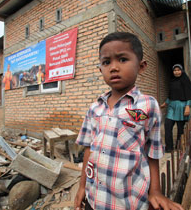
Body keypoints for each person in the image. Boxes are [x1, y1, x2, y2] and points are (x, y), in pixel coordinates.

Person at [74, 32, 184, 210]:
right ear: (100, 69)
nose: (114, 67)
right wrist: (81, 187)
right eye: (106, 62)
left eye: (123, 59)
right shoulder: (95, 108)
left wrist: (155, 191)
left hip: (129, 202)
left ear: (141, 66)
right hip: (95, 200)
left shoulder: (147, 106)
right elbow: (88, 149)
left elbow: (153, 152)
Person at [160, 64, 191, 152]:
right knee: (167, 125)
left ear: (182, 70)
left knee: (180, 128)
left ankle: (179, 147)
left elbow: (189, 94)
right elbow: (171, 95)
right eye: (175, 70)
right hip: (171, 106)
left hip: (181, 107)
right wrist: (165, 103)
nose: (177, 72)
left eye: (178, 70)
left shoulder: (185, 80)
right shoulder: (172, 81)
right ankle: (169, 147)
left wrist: (187, 106)